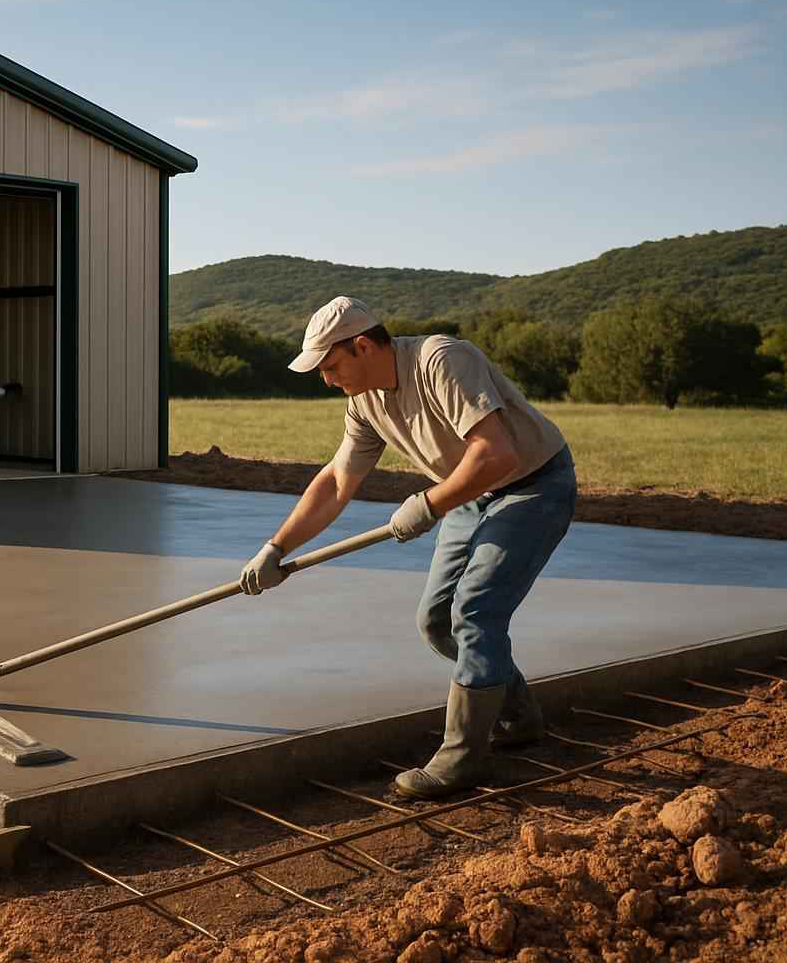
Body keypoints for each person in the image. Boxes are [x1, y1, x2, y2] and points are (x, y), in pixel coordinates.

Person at [239, 296, 577, 798]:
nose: (326, 380)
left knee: (476, 612)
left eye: (331, 366)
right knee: (437, 622)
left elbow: (495, 453)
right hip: (471, 492)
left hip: (533, 485)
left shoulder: (441, 360)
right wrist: (275, 547)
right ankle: (517, 717)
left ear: (362, 346)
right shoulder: (365, 401)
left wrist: (428, 505)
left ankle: (463, 759)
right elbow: (336, 482)